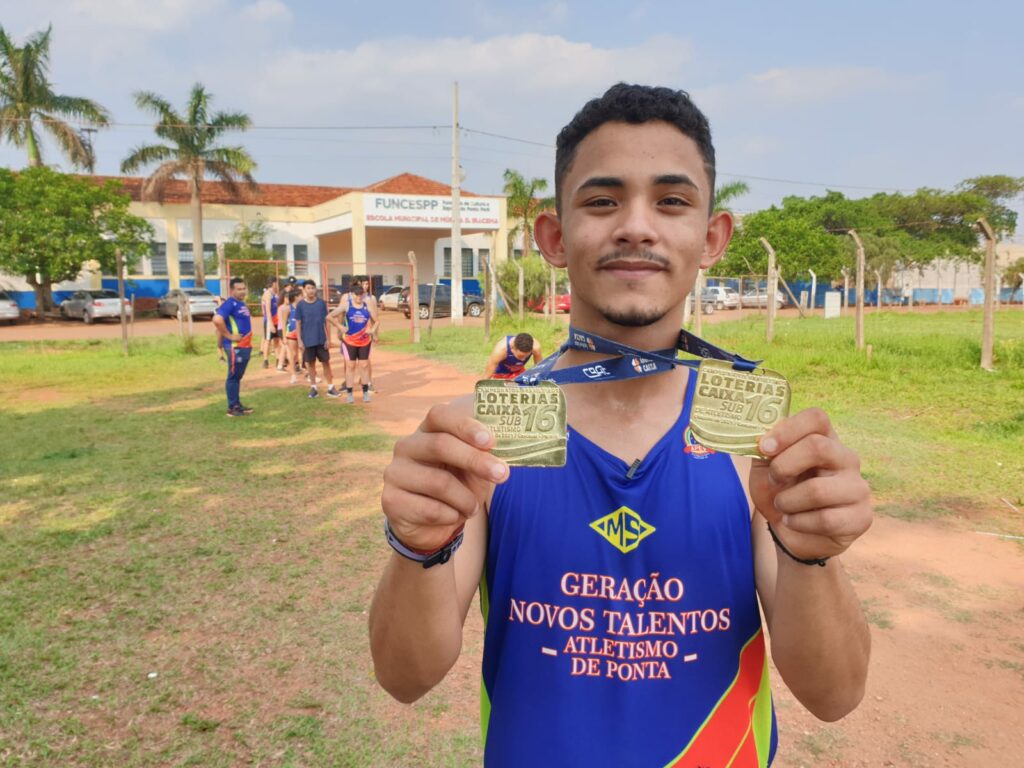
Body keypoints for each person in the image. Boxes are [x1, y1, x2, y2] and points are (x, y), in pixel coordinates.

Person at [369, 83, 872, 767]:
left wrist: (813, 554)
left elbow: (835, 695)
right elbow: (404, 677)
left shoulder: (754, 439)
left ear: (711, 236)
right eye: (602, 201)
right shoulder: (486, 437)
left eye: (672, 201)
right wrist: (415, 545)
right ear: (553, 235)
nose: (637, 225)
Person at [211, 277, 254, 417]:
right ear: (232, 290)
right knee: (233, 377)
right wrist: (228, 336)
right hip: (235, 347)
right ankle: (232, 408)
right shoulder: (230, 303)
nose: (242, 291)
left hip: (244, 346)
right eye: (239, 289)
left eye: (243, 288)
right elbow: (217, 319)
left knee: (237, 377)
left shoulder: (240, 303)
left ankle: (237, 405)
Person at [330, 280, 378, 403]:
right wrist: (340, 327)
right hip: (349, 341)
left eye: (360, 294)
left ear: (363, 295)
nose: (358, 297)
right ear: (352, 295)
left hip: (364, 341)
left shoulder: (367, 306)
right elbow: (330, 316)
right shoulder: (347, 305)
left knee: (364, 365)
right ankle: (350, 393)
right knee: (350, 366)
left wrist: (372, 330)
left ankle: (365, 393)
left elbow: (376, 321)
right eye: (356, 294)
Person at [293, 279, 341, 399]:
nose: (311, 290)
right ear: (304, 290)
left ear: (315, 289)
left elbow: (327, 321)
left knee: (326, 363)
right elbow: (298, 324)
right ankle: (313, 388)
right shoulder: (300, 305)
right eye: (308, 288)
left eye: (313, 288)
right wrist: (299, 340)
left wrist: (328, 339)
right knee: (311, 364)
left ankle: (330, 387)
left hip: (321, 339)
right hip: (307, 340)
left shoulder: (321, 304)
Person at [279, 290, 300, 385]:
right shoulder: (287, 308)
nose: (302, 297)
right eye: (301, 296)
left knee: (304, 353)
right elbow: (283, 323)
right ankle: (293, 375)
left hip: (301, 333)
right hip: (291, 333)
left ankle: (309, 373)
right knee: (293, 354)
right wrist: (284, 336)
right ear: (295, 297)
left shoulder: (302, 307)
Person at [260, 276, 281, 369]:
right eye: (276, 282)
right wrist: (271, 324)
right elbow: (267, 310)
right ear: (273, 283)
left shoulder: (275, 294)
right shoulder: (267, 294)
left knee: (276, 340)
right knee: (268, 340)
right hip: (270, 321)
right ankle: (265, 360)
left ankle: (278, 359)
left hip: (276, 320)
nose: (277, 284)